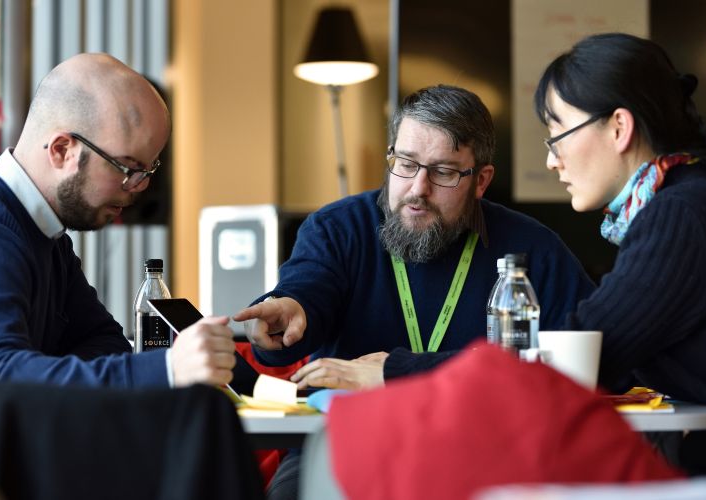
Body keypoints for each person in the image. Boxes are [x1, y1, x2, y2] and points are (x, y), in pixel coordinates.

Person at [234, 84, 595, 500]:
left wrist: (400, 372)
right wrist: (289, 314)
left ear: (481, 180)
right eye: (406, 163)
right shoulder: (337, 227)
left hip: (484, 447)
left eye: (443, 172)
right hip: (345, 440)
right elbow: (311, 288)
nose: (417, 188)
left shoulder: (534, 249)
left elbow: (578, 363)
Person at [0, 53, 236, 388]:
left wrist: (38, 372)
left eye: (148, 172)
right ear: (62, 150)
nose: (138, 189)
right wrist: (166, 370)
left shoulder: (46, 234)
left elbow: (107, 343)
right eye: (128, 168)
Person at [533, 33, 706, 474]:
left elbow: (586, 354)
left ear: (619, 127)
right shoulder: (696, 197)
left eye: (557, 133)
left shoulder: (680, 216)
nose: (552, 160)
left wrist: (400, 371)